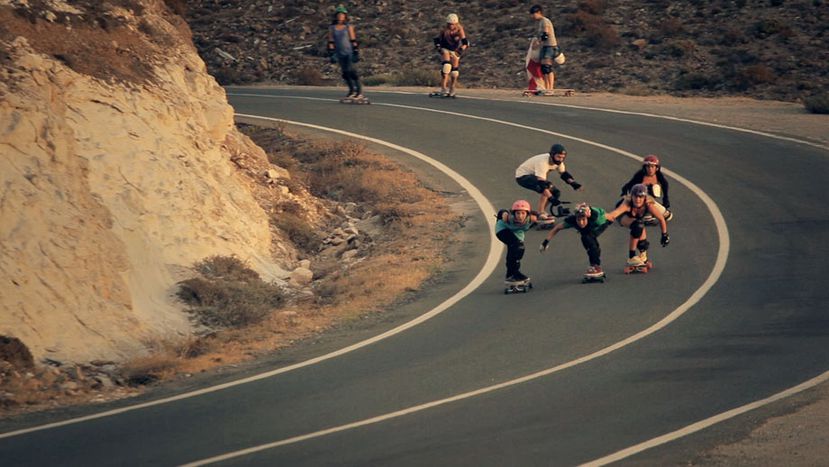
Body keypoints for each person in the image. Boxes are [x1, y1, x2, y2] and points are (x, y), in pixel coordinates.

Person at [605, 184, 670, 267]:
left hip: (637, 219)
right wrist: (603, 218)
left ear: (645, 198)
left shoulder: (649, 205)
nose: (637, 200)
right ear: (631, 197)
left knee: (643, 243)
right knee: (637, 225)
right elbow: (614, 214)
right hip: (623, 216)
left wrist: (664, 234)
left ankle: (643, 258)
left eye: (640, 197)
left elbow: (661, 218)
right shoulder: (627, 204)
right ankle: (631, 257)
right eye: (635, 197)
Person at [539, 202, 611, 278]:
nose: (581, 223)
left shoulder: (596, 218)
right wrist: (545, 242)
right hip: (588, 229)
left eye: (583, 219)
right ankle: (594, 265)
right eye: (578, 220)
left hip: (603, 223)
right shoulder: (572, 220)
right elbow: (557, 228)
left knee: (588, 239)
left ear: (587, 217)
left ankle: (596, 266)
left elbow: (610, 217)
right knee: (588, 243)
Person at [515, 143, 583, 221]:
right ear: (552, 155)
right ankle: (540, 213)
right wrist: (551, 198)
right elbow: (542, 185)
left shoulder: (559, 162)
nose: (560, 159)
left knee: (556, 193)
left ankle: (540, 212)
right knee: (547, 187)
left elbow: (564, 174)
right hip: (522, 176)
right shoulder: (542, 162)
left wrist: (574, 183)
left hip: (534, 177)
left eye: (562, 157)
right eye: (558, 157)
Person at [495, 200, 539, 282]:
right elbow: (502, 212)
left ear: (527, 214)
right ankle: (515, 273)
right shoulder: (508, 217)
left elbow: (537, 214)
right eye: (517, 213)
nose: (520, 216)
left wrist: (541, 216)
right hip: (503, 230)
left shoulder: (531, 218)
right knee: (517, 247)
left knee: (515, 252)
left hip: (517, 232)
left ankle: (510, 274)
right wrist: (503, 214)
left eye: (523, 213)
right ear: (514, 213)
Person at [619, 154, 673, 222]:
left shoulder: (659, 176)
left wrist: (666, 199)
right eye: (648, 167)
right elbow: (629, 185)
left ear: (657, 168)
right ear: (645, 168)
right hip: (637, 199)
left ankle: (648, 213)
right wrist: (625, 194)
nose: (650, 169)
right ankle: (645, 215)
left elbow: (665, 185)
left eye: (652, 167)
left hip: (650, 200)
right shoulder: (640, 175)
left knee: (668, 216)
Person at [327, 5, 364, 100]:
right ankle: (351, 90)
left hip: (349, 52)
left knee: (351, 71)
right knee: (345, 73)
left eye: (342, 15)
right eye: (339, 15)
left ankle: (359, 91)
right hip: (339, 53)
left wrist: (356, 51)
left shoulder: (348, 27)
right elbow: (331, 41)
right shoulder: (332, 28)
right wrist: (331, 53)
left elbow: (353, 39)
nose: (340, 16)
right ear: (336, 16)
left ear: (345, 16)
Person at [432, 13, 469, 97]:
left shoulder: (459, 29)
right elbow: (437, 40)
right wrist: (438, 47)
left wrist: (461, 50)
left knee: (455, 72)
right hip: (445, 48)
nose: (451, 26)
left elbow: (465, 42)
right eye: (449, 24)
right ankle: (443, 88)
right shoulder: (444, 30)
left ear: (456, 24)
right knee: (446, 67)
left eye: (452, 24)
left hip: (455, 49)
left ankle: (452, 87)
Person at [529, 5, 562, 92]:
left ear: (539, 12)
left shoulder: (545, 21)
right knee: (544, 69)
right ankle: (547, 88)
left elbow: (545, 35)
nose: (532, 16)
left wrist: (538, 43)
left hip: (550, 46)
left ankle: (550, 88)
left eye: (533, 14)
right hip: (545, 47)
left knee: (547, 67)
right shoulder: (540, 22)